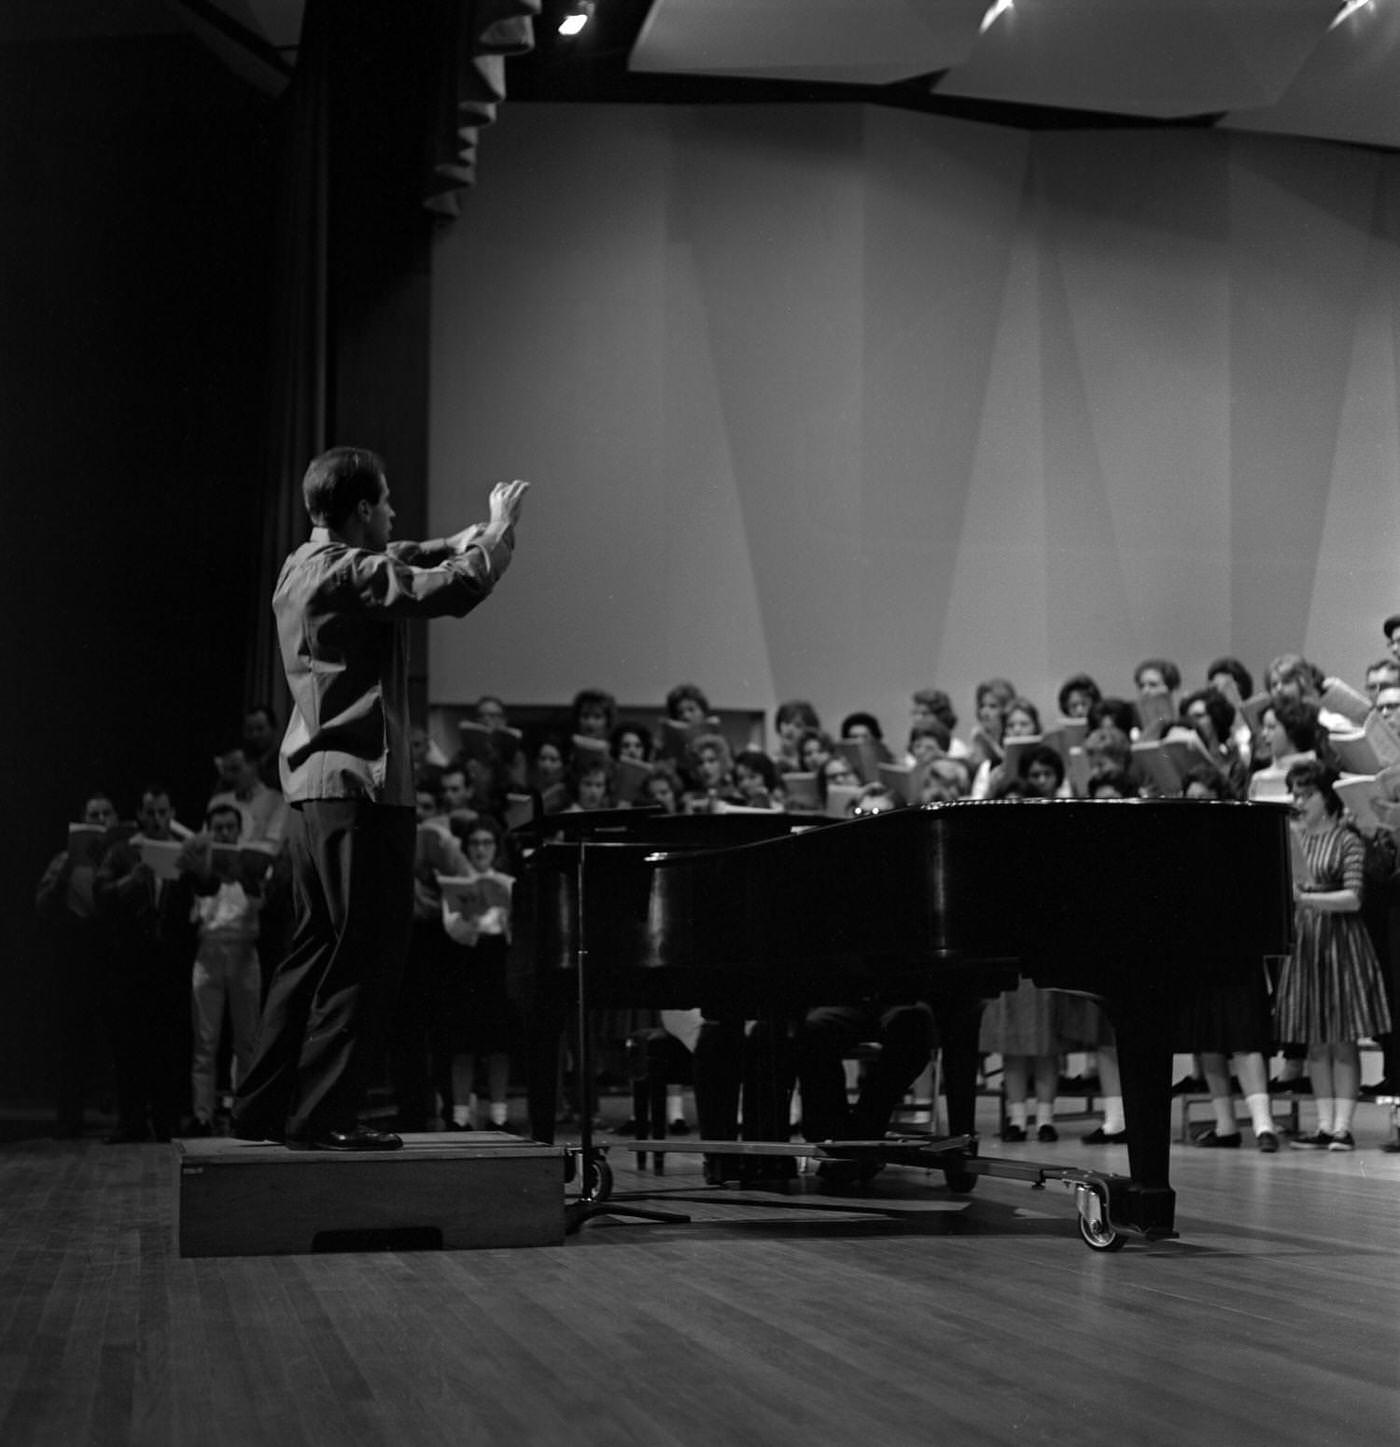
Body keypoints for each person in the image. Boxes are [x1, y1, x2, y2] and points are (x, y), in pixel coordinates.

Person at [231, 446, 528, 1152]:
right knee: (367, 954)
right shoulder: (351, 573)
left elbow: (398, 554)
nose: (393, 512)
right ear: (362, 508)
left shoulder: (304, 563)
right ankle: (322, 1115)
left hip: (310, 790)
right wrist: (495, 537)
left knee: (313, 948)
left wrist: (453, 537)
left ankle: (263, 1108)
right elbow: (443, 589)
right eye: (386, 500)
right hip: (361, 788)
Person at [1278, 761, 1392, 1150]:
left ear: (1325, 797)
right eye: (1294, 793)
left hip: (1341, 942)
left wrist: (1306, 897)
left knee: (1341, 1038)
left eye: (1306, 793)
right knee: (1315, 1039)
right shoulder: (1294, 840)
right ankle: (1324, 1124)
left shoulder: (1347, 839)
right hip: (1306, 941)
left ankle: (1343, 1126)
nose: (1299, 800)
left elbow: (1353, 897)